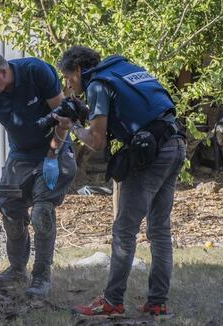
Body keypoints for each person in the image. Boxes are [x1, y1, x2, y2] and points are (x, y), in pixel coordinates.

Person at [57, 46, 186, 317]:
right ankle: (157, 303)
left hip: (151, 153)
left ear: (79, 70)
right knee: (160, 230)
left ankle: (112, 301)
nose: (68, 84)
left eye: (68, 77)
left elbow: (96, 141)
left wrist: (72, 127)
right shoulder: (122, 69)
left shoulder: (97, 85)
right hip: (175, 141)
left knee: (124, 231)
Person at [0, 51, 77, 297]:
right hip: (20, 155)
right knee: (9, 208)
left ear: (3, 72)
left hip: (53, 149)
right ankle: (16, 269)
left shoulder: (36, 72)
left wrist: (52, 156)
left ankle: (41, 276)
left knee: (42, 211)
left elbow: (64, 117)